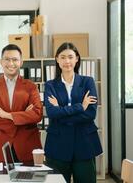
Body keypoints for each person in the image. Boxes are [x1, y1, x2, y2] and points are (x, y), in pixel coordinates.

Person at [44, 42, 103, 183]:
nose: (67, 61)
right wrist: (80, 107)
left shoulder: (88, 82)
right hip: (57, 145)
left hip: (84, 144)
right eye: (63, 57)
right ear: (57, 59)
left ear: (77, 59)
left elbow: (90, 114)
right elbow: (52, 113)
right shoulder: (50, 85)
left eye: (70, 57)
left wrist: (61, 111)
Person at [0, 44, 43, 163]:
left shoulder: (31, 87)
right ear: (1, 61)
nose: (11, 63)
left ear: (21, 62)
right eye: (7, 59)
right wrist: (23, 117)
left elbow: (37, 114)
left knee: (27, 180)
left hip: (26, 146)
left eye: (15, 59)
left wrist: (6, 115)